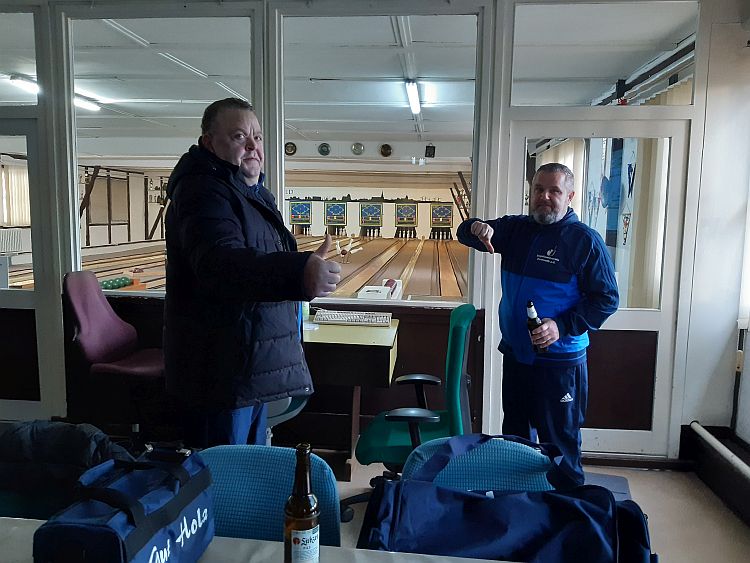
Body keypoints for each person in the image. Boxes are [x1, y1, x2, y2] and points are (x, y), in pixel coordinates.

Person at [164, 97, 341, 448]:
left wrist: (303, 262)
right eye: (238, 136)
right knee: (226, 470)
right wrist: (298, 272)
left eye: (257, 137)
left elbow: (256, 256)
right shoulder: (203, 192)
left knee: (247, 466)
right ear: (209, 143)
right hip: (221, 369)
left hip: (247, 363)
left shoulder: (251, 193)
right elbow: (221, 265)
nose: (252, 145)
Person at [457, 162, 619, 488]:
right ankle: (520, 505)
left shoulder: (584, 241)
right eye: (538, 189)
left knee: (559, 443)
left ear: (569, 196)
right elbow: (464, 233)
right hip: (518, 355)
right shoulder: (516, 229)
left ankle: (566, 508)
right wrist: (476, 226)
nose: (544, 197)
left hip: (559, 362)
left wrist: (560, 326)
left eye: (554, 191)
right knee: (516, 438)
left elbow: (607, 299)